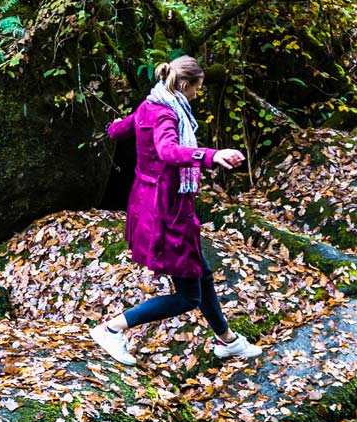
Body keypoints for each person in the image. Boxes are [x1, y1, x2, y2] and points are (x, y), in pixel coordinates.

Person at [91, 56, 261, 366]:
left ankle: (228, 341)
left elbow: (117, 131)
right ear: (184, 85)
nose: (199, 93)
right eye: (198, 87)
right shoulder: (167, 115)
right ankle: (111, 329)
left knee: (203, 273)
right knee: (188, 297)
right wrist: (211, 155)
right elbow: (168, 151)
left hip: (152, 200)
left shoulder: (151, 104)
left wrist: (113, 125)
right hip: (166, 211)